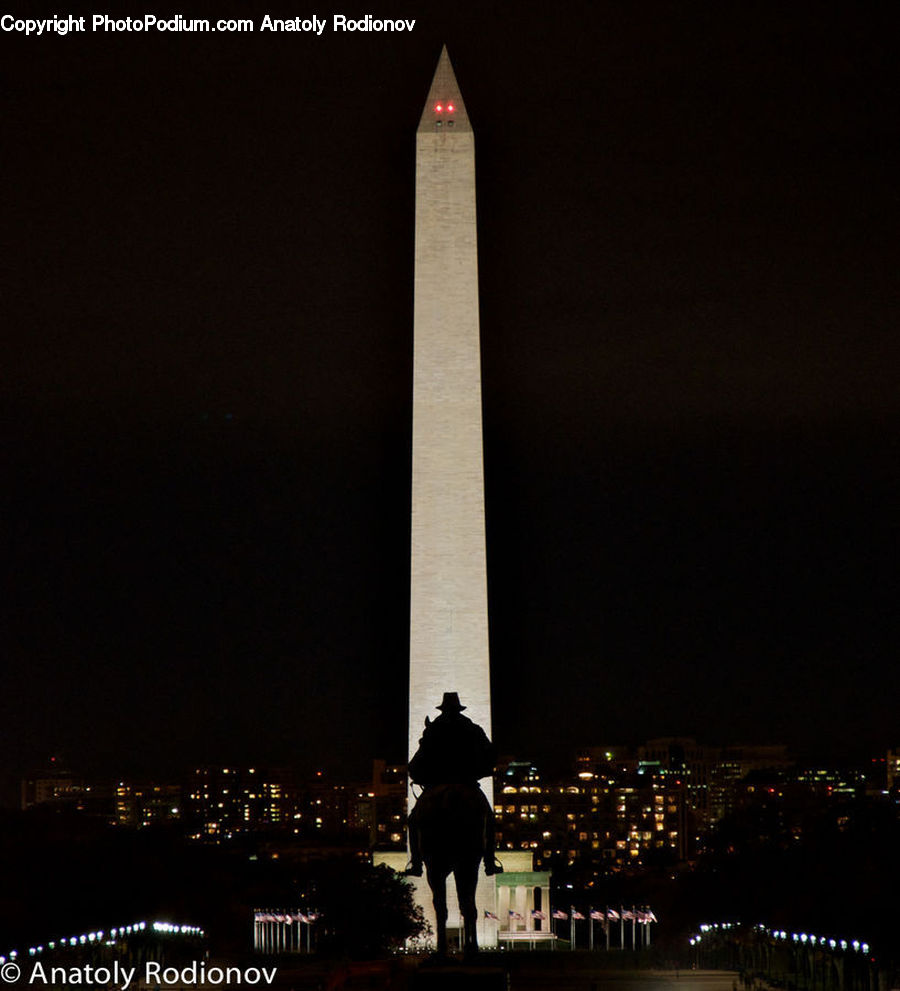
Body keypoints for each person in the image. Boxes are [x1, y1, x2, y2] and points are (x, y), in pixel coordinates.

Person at [405, 692, 503, 877]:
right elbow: (491, 753)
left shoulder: (433, 728)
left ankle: (416, 863)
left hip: (437, 783)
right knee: (488, 818)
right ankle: (490, 861)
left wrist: (417, 773)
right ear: (459, 709)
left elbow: (417, 761)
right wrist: (482, 769)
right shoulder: (472, 728)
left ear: (443, 709)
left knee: (413, 820)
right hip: (466, 782)